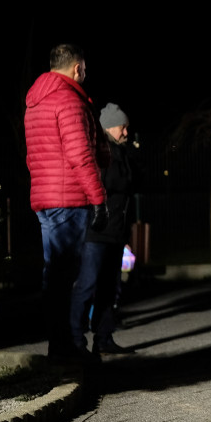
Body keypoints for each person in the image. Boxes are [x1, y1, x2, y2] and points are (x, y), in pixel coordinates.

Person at [24, 44, 109, 364]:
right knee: (64, 277)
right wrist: (99, 199)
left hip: (45, 199)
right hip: (69, 199)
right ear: (76, 68)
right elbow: (80, 156)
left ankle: (59, 345)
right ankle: (63, 348)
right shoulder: (69, 101)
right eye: (84, 69)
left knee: (55, 275)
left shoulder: (34, 102)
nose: (85, 74)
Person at [71, 102, 137, 357]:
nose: (126, 133)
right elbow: (112, 183)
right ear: (110, 126)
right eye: (123, 128)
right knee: (87, 285)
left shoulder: (119, 152)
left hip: (114, 231)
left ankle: (103, 339)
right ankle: (76, 340)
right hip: (97, 231)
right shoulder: (100, 151)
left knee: (110, 287)